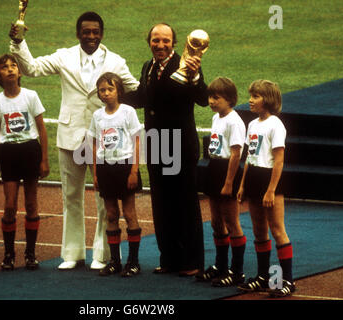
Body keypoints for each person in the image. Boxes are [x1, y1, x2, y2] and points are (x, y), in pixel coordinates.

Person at [8, 11, 139, 270]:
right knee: (71, 195)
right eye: (86, 32)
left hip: (104, 141)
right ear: (78, 33)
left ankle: (103, 255)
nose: (91, 36)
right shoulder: (63, 56)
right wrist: (18, 42)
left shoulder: (116, 61)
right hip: (70, 134)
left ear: (101, 33)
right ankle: (72, 253)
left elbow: (134, 88)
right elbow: (31, 68)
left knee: (105, 198)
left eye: (95, 32)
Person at [123, 23, 208, 276]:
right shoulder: (148, 67)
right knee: (161, 203)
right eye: (155, 40)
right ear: (148, 41)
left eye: (165, 41)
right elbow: (143, 98)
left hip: (180, 145)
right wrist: (115, 96)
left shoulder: (187, 63)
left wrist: (194, 77)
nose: (160, 45)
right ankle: (170, 258)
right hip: (157, 143)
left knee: (184, 203)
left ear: (173, 43)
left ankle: (191, 262)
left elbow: (203, 98)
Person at [0, 54, 49, 271]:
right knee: (9, 206)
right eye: (5, 67)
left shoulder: (31, 96)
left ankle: (30, 253)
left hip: (30, 150)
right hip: (9, 153)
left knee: (32, 204)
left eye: (13, 65)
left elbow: (41, 129)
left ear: (20, 72)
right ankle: (9, 254)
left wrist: (44, 159)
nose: (10, 69)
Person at [237, 79, 295, 297]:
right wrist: (242, 185)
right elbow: (249, 158)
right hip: (253, 177)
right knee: (259, 231)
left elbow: (279, 160)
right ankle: (263, 276)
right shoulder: (252, 125)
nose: (250, 100)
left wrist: (271, 189)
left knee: (277, 230)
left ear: (268, 100)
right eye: (251, 95)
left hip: (269, 178)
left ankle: (285, 280)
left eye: (256, 96)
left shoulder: (275, 125)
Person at [88, 72, 143, 277]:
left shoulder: (128, 112)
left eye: (110, 89)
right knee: (111, 214)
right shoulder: (97, 115)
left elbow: (137, 141)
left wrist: (134, 171)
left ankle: (134, 262)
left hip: (125, 166)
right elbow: (94, 144)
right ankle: (115, 261)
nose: (106, 93)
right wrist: (95, 173)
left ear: (118, 91)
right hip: (105, 169)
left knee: (129, 214)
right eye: (102, 90)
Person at [195, 77, 247, 286]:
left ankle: (237, 271)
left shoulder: (234, 121)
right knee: (216, 221)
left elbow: (236, 154)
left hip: (228, 170)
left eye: (216, 98)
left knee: (232, 222)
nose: (211, 101)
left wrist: (229, 182)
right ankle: (221, 265)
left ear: (230, 99)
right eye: (210, 97)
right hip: (214, 168)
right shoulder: (217, 118)